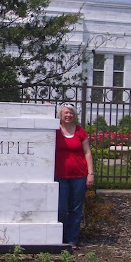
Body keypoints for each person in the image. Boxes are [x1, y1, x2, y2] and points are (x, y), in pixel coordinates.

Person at [54, 102, 94, 249]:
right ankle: (61, 238)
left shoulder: (80, 131)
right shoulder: (55, 130)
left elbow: (87, 152)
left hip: (79, 176)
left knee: (76, 209)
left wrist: (90, 173)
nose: (68, 115)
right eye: (65, 112)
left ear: (74, 115)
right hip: (60, 175)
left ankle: (72, 240)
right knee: (61, 208)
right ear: (60, 115)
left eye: (71, 113)